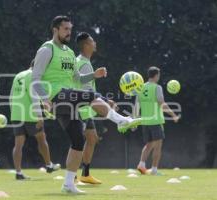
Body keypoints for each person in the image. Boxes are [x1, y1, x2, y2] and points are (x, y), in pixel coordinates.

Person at [32, 15, 141, 194]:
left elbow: (77, 78)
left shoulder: (68, 52)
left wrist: (94, 75)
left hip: (68, 99)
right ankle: (121, 120)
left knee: (78, 140)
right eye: (65, 29)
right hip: (56, 96)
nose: (69, 32)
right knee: (91, 96)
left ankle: (68, 184)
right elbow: (35, 78)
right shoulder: (47, 49)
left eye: (70, 29)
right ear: (55, 30)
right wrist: (44, 98)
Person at [75, 32, 118, 184]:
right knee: (78, 141)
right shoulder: (84, 64)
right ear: (86, 45)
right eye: (92, 41)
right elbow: (87, 92)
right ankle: (72, 176)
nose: (95, 43)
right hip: (81, 108)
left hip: (85, 108)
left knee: (91, 138)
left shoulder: (83, 61)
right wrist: (107, 100)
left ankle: (85, 174)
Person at [10, 60, 60, 180]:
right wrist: (39, 116)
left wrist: (13, 112)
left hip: (17, 114)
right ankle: (49, 165)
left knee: (18, 145)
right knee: (42, 138)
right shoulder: (33, 77)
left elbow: (11, 95)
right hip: (30, 115)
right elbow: (34, 97)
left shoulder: (18, 75)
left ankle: (18, 172)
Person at [135, 66, 180, 175]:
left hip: (145, 121)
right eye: (158, 75)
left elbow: (136, 105)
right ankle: (154, 169)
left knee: (149, 144)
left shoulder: (140, 87)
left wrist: (135, 121)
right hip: (156, 121)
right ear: (156, 75)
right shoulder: (157, 87)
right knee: (158, 146)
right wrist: (173, 115)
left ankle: (141, 165)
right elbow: (161, 103)